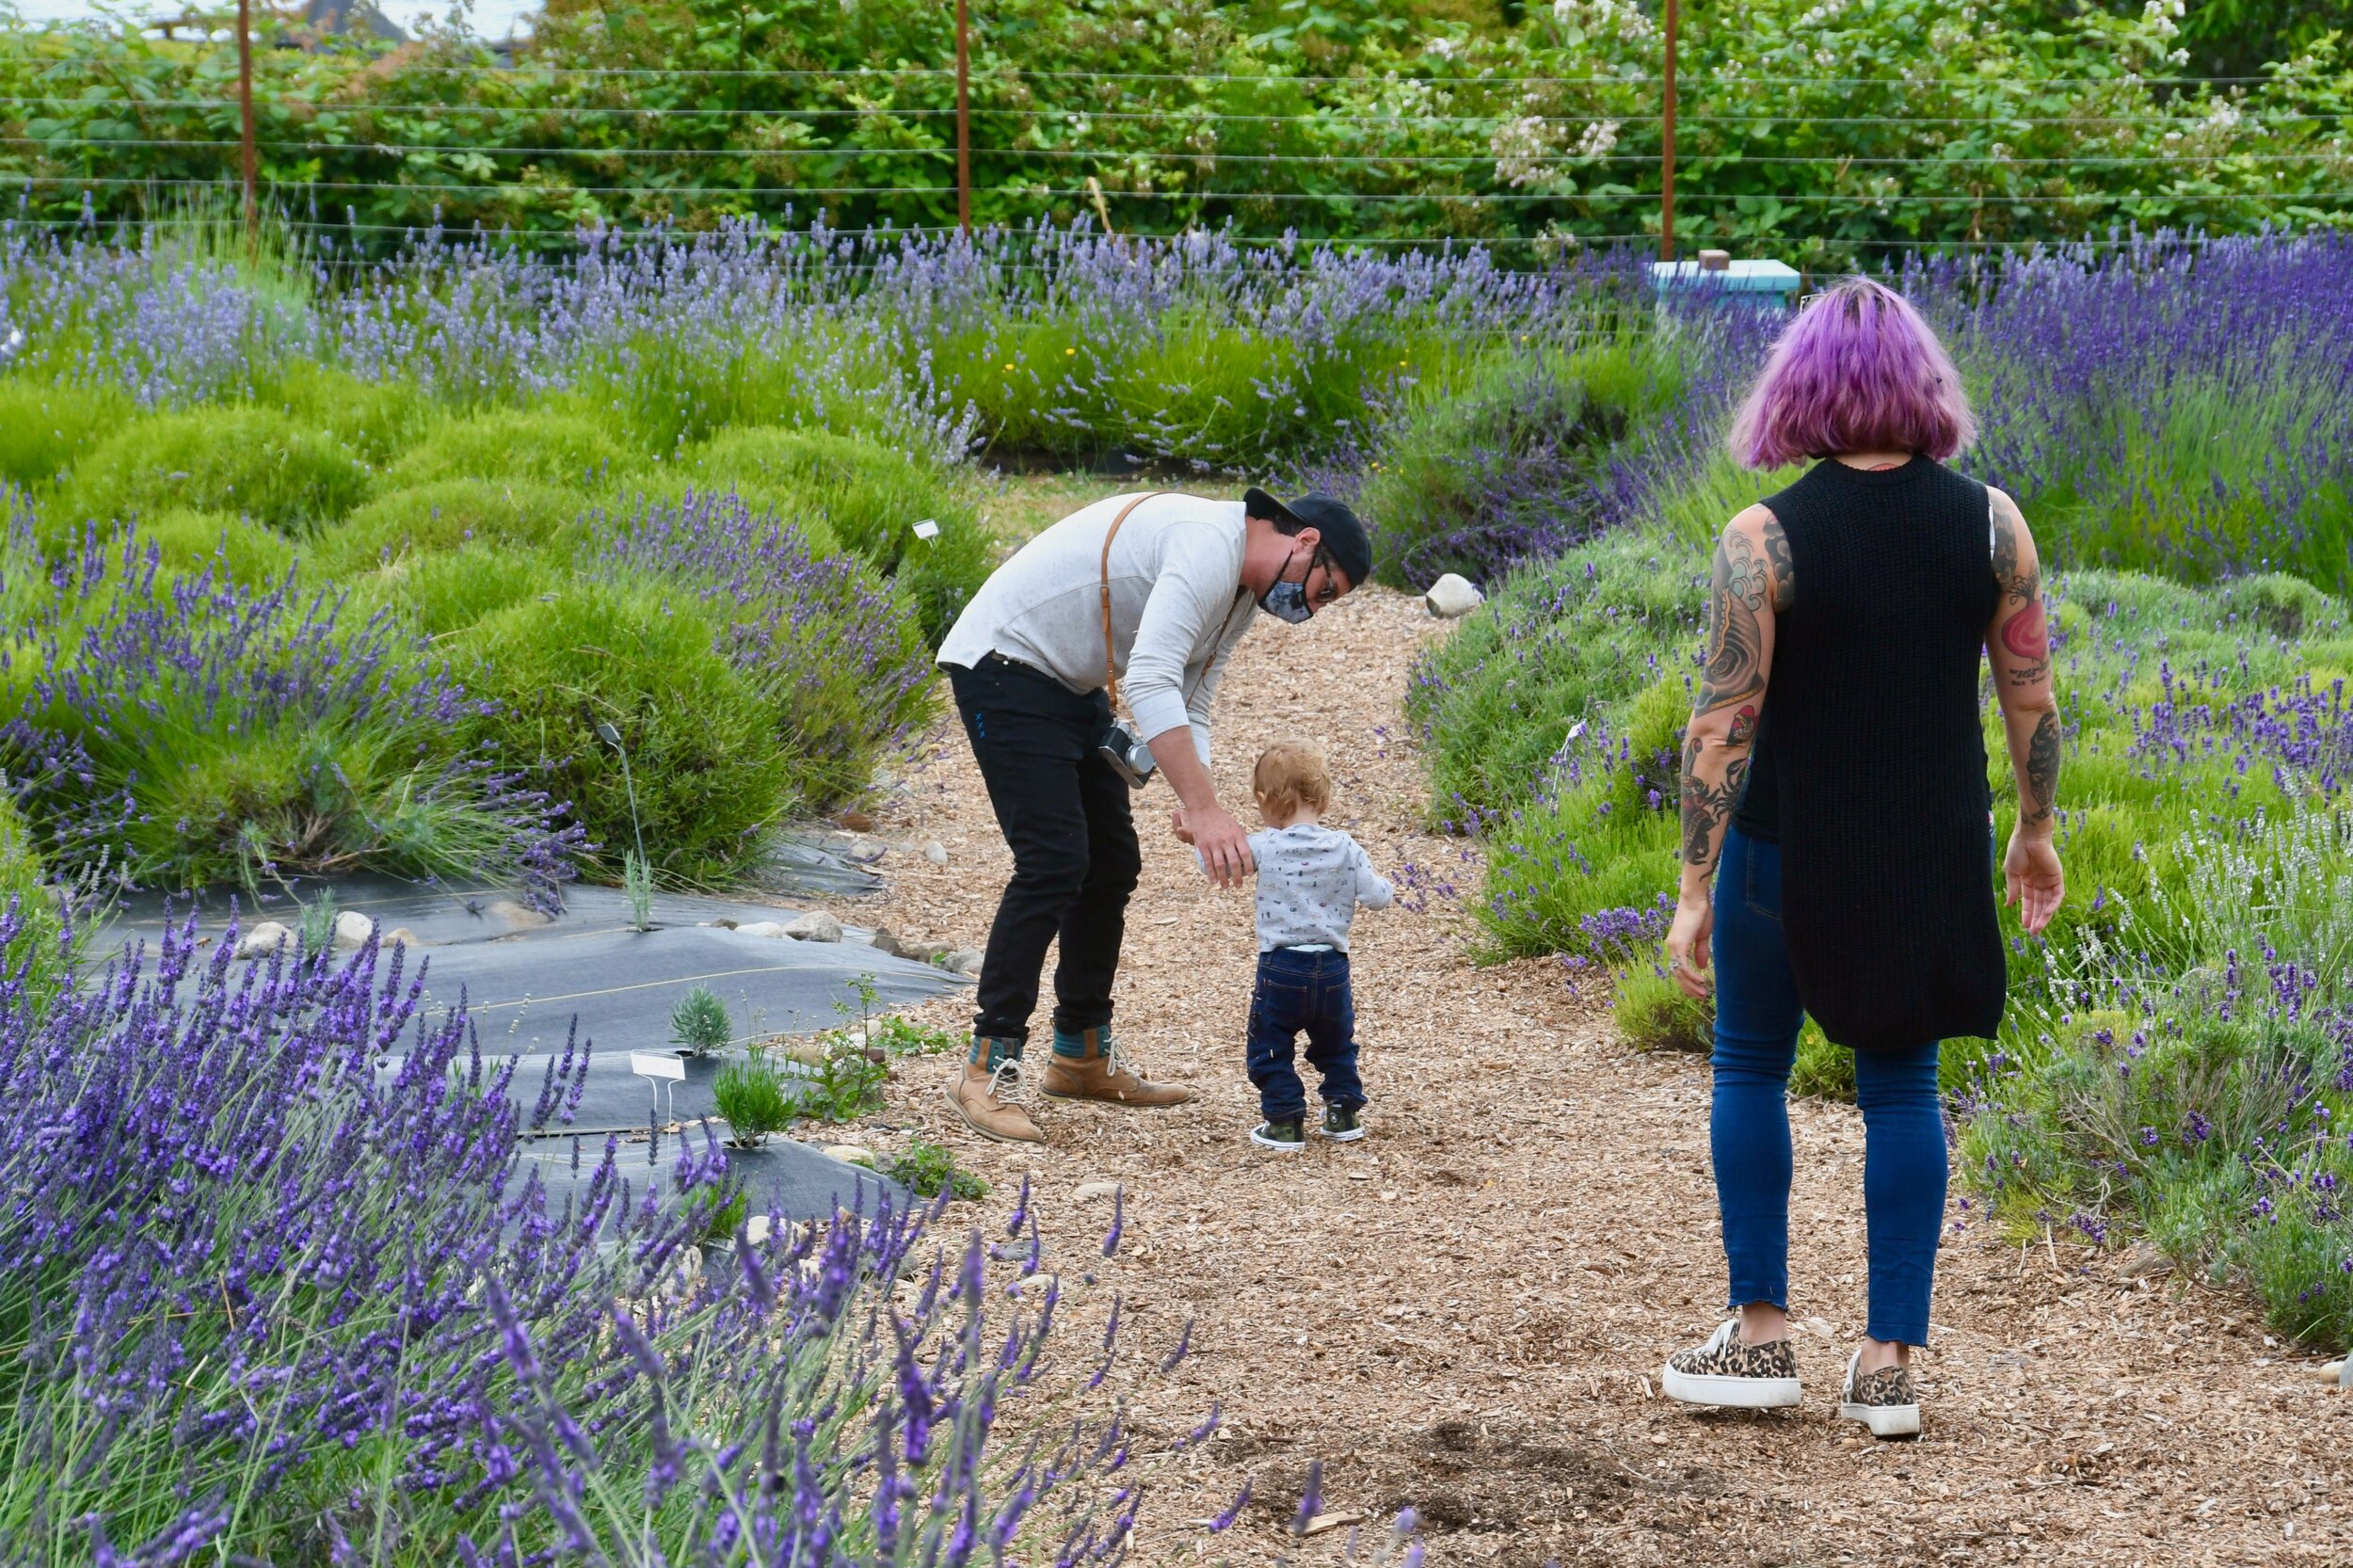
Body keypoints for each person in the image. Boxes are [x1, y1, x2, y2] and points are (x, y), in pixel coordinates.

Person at [1657, 277, 2066, 1438]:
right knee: (1903, 1087)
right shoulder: (1993, 523)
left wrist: (1695, 886)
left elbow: (1720, 723)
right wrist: (2034, 831)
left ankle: (1763, 1336)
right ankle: (1887, 1362)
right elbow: (2030, 699)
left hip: (1789, 851)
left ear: (1803, 388)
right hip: (1930, 847)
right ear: (1922, 385)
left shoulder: (1763, 538)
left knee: (1747, 1067)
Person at [935, 488, 1374, 1144]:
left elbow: (1191, 703)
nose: (1310, 609)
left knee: (1111, 864)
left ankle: (1080, 1054)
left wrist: (1195, 807)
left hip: (1067, 683)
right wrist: (1203, 806)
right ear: (1304, 542)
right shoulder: (1207, 544)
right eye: (1324, 591)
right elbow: (1147, 681)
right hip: (1004, 663)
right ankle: (986, 1067)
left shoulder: (1238, 595)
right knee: (1054, 860)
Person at [1234, 740, 1393, 1151]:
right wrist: (1388, 886)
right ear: (1322, 798)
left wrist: (1195, 837)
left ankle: (1285, 1121)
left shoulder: (1266, 844)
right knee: (1336, 1042)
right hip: (1333, 967)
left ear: (1266, 800)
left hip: (1281, 965)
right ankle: (1342, 1112)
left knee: (1270, 1043)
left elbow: (1215, 862)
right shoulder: (1346, 847)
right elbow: (1377, 897)